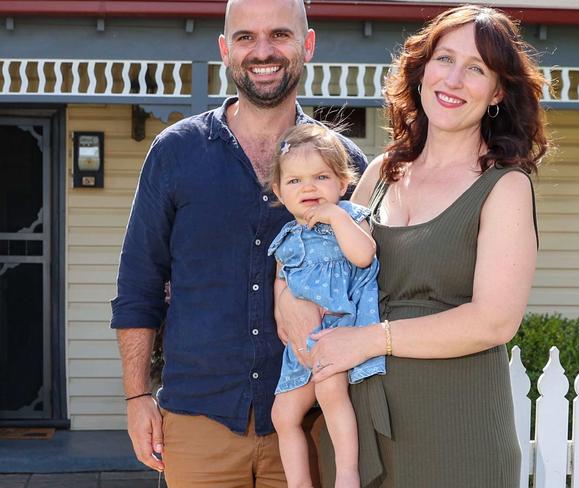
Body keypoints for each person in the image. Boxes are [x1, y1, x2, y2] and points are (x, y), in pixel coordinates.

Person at [278, 5, 548, 487]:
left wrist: (369, 339)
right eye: (445, 59)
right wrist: (287, 302)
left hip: (456, 433)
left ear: (498, 92)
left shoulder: (505, 186)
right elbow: (320, 256)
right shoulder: (379, 174)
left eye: (476, 69)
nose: (454, 80)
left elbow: (494, 321)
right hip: (360, 429)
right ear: (422, 71)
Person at [109, 0, 367, 486]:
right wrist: (137, 397)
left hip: (310, 425)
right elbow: (139, 285)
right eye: (246, 37)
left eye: (280, 35)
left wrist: (287, 291)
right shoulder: (176, 152)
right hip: (197, 422)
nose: (262, 51)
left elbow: (372, 278)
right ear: (226, 51)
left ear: (307, 45)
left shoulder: (343, 163)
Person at [267, 124, 385, 488]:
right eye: (295, 181)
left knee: (330, 392)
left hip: (340, 332)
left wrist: (336, 217)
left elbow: (364, 255)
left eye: (320, 177)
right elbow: (281, 280)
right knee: (282, 414)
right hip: (302, 344)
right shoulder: (286, 237)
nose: (308, 187)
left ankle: (347, 473)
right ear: (278, 191)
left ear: (342, 182)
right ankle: (299, 482)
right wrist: (280, 309)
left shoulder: (351, 216)